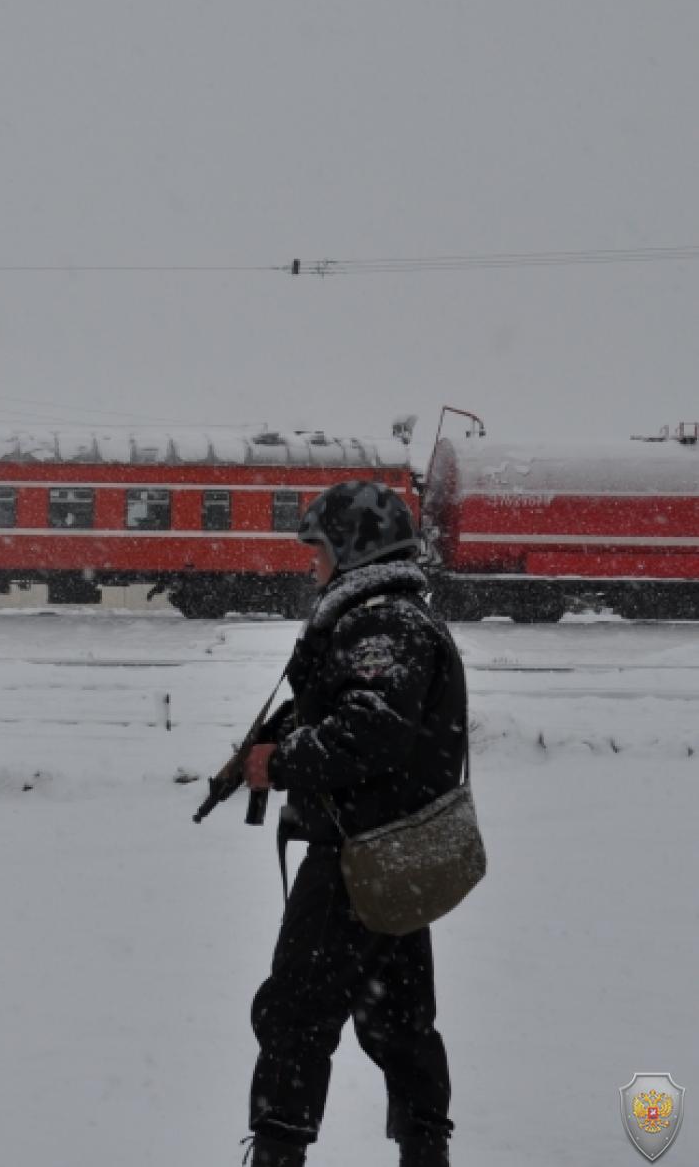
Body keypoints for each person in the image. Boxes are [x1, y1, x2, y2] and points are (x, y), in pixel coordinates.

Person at [237, 481, 467, 1167]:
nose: (311, 564)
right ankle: (425, 1150)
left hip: (355, 860)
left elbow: (370, 732)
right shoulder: (395, 616)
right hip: (395, 855)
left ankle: (278, 1151)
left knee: (296, 1019)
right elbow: (370, 719)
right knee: (399, 1020)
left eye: (321, 550)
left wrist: (280, 763)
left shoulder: (380, 623)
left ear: (355, 550)